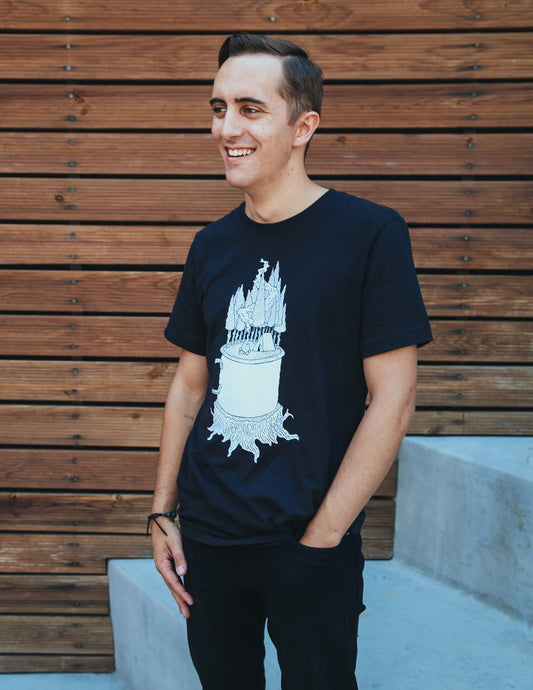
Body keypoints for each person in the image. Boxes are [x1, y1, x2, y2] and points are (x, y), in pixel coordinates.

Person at [149, 33, 432, 690]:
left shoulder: (368, 234)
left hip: (307, 537)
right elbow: (190, 387)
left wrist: (323, 539)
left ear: (303, 126)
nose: (226, 128)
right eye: (218, 108)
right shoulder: (212, 245)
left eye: (250, 109)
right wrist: (163, 512)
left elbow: (392, 399)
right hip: (210, 538)